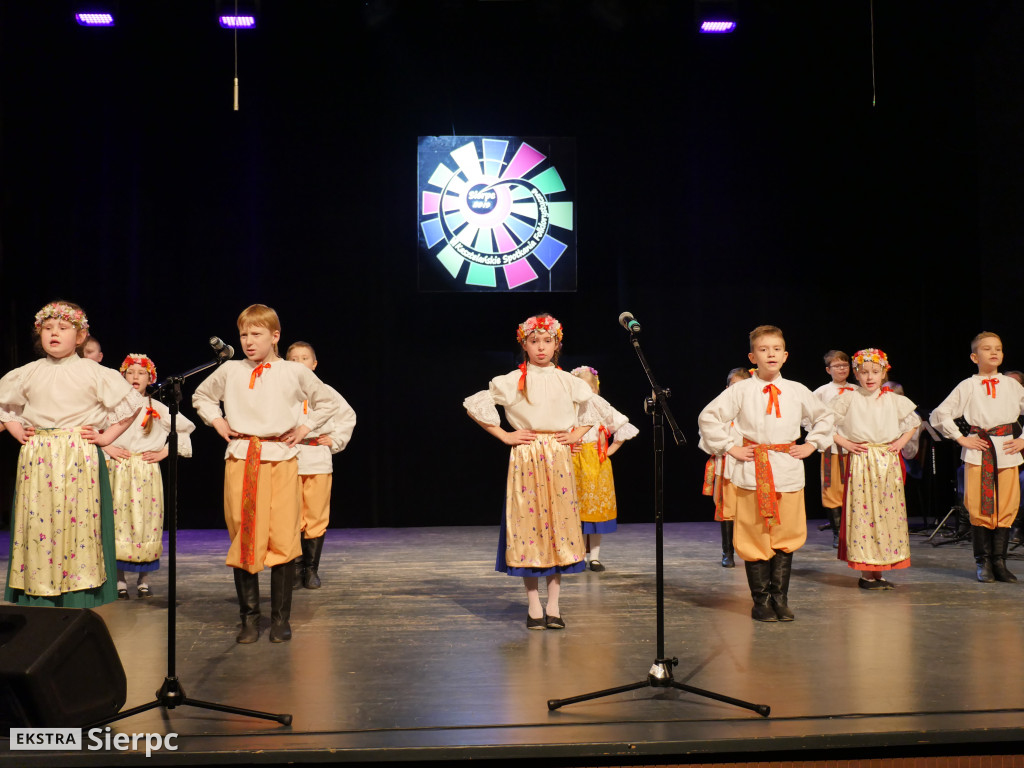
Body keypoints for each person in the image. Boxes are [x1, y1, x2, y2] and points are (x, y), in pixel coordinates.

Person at [192, 304, 340, 643]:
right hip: (242, 458)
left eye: (256, 334)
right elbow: (202, 396)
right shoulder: (231, 370)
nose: (248, 341)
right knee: (245, 533)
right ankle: (248, 618)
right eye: (244, 334)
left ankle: (280, 618)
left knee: (283, 536)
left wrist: (305, 427)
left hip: (280, 458)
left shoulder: (293, 371)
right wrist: (217, 421)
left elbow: (326, 401)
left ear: (275, 336)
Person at [0, 301, 144, 607]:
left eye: (63, 329)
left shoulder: (93, 371)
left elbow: (130, 406)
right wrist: (14, 428)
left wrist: (106, 437)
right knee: (39, 522)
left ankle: (77, 591)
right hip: (39, 455)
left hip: (77, 455)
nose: (54, 334)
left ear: (79, 337)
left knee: (77, 522)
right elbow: (4, 405)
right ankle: (38, 588)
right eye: (48, 329)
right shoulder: (27, 372)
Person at [464, 313, 597, 630]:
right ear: (524, 344)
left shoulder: (569, 381)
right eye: (534, 341)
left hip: (558, 454)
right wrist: (505, 435)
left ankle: (554, 605)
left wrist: (576, 435)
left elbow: (592, 409)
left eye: (547, 341)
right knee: (530, 526)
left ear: (556, 345)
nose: (541, 347)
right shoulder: (512, 380)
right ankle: (534, 606)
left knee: (558, 527)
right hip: (527, 454)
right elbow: (475, 405)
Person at [697, 325, 833, 622]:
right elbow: (709, 417)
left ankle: (780, 598)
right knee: (755, 535)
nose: (770, 354)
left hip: (786, 469)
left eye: (775, 349)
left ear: (785, 356)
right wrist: (729, 447)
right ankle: (760, 600)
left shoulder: (797, 390)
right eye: (763, 349)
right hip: (752, 470)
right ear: (752, 356)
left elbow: (824, 418)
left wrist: (812, 445)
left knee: (787, 534)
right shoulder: (741, 390)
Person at [930, 332, 1024, 583]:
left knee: (1006, 504)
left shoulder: (1012, 385)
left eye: (998, 348)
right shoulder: (968, 385)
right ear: (974, 356)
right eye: (986, 349)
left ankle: (999, 561)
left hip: (1006, 450)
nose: (994, 352)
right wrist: (961, 438)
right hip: (980, 451)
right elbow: (940, 415)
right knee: (979, 506)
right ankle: (983, 562)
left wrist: (1023, 439)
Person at [104, 353, 195, 599]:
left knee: (145, 523)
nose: (135, 377)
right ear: (123, 375)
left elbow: (185, 431)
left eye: (141, 373)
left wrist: (165, 451)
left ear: (150, 378)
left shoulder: (158, 408)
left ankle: (144, 579)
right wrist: (107, 447)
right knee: (117, 522)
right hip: (118, 469)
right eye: (131, 372)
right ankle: (120, 579)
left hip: (145, 472)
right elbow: (93, 430)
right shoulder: (112, 407)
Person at [830, 349, 920, 589]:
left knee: (887, 514)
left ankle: (879, 570)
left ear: (883, 373)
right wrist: (847, 443)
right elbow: (824, 425)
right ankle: (865, 573)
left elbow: (913, 422)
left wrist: (900, 442)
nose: (870, 377)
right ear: (856, 373)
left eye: (875, 372)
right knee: (865, 514)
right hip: (862, 459)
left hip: (887, 460)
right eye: (864, 372)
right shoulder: (848, 398)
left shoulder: (893, 399)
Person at [284, 341, 357, 589]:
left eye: (304, 358)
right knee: (290, 514)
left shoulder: (326, 391)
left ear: (313, 364)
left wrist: (335, 440)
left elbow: (347, 416)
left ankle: (311, 569)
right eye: (293, 359)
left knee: (315, 514)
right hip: (287, 457)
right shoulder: (280, 392)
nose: (299, 363)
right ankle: (294, 568)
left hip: (316, 458)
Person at [567, 365, 639, 572]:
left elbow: (622, 425)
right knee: (576, 512)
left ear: (594, 388)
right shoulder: (568, 407)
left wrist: (609, 450)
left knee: (594, 513)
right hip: (573, 462)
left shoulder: (598, 404)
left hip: (596, 463)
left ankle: (595, 558)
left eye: (588, 387)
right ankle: (578, 555)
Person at [700, 367, 751, 568]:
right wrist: (725, 447)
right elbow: (706, 436)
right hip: (728, 465)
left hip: (751, 465)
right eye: (733, 386)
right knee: (727, 510)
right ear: (727, 387)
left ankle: (748, 549)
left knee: (750, 511)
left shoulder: (754, 409)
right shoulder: (719, 410)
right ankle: (727, 551)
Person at [813, 351, 856, 547]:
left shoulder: (858, 390)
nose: (842, 369)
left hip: (855, 447)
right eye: (837, 366)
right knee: (832, 490)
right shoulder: (822, 392)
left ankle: (855, 531)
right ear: (828, 370)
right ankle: (838, 534)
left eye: (845, 365)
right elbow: (810, 418)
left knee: (855, 488)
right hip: (832, 448)